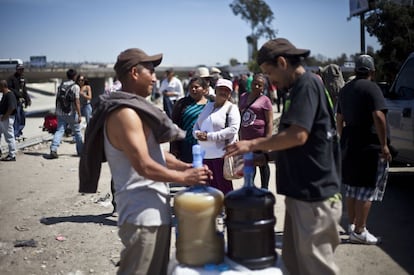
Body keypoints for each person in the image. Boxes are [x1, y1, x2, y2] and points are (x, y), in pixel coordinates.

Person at [78, 48, 212, 275]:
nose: (154, 77)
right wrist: (184, 178)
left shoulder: (137, 110)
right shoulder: (124, 114)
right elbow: (143, 165)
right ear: (134, 73)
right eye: (150, 71)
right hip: (141, 215)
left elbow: (157, 156)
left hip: (155, 212)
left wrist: (186, 167)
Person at [225, 38, 342, 275]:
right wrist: (264, 157)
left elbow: (298, 135)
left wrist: (252, 144)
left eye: (269, 72)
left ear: (282, 62)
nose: (270, 80)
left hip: (314, 195)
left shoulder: (306, 85)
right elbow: (303, 143)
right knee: (294, 263)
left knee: (316, 267)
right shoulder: (296, 89)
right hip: (300, 193)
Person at [336, 54, 392, 245]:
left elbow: (339, 119)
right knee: (366, 190)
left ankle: (352, 226)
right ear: (372, 71)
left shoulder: (345, 90)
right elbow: (378, 115)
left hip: (349, 144)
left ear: (355, 70)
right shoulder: (372, 88)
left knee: (351, 189)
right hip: (369, 145)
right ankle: (360, 231)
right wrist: (384, 144)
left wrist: (343, 138)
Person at [193, 78, 240, 195]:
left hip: (221, 154)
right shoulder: (209, 106)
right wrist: (196, 134)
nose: (223, 92)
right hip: (205, 154)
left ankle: (229, 211)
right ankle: (216, 210)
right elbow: (197, 124)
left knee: (224, 187)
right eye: (221, 89)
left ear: (230, 93)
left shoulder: (231, 108)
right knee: (210, 188)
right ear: (216, 90)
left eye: (226, 90)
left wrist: (209, 136)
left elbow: (233, 129)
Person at [238, 73, 273, 189]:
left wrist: (268, 140)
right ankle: (250, 188)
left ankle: (264, 189)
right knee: (249, 164)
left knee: (262, 164)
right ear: (251, 84)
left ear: (263, 88)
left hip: (260, 139)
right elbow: (240, 116)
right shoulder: (243, 96)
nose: (256, 87)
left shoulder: (265, 100)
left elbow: (269, 122)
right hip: (246, 139)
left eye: (260, 85)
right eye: (255, 84)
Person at [170, 76, 209, 163]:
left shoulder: (211, 104)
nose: (193, 89)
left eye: (196, 87)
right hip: (187, 144)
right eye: (191, 87)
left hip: (206, 144)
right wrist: (174, 146)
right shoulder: (182, 104)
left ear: (204, 89)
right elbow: (174, 125)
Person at [49, 69, 83, 159]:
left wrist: (57, 111)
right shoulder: (75, 87)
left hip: (61, 113)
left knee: (59, 131)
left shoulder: (61, 85)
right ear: (74, 76)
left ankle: (53, 149)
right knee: (77, 132)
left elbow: (57, 100)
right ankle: (81, 151)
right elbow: (77, 101)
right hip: (71, 113)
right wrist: (79, 115)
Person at [7, 64, 31, 139]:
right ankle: (16, 133)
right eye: (20, 69)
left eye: (22, 69)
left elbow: (24, 89)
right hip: (14, 101)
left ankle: (20, 132)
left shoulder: (22, 78)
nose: (21, 71)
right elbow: (10, 88)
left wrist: (27, 99)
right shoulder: (11, 78)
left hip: (21, 101)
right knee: (17, 117)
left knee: (22, 117)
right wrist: (18, 94)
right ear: (17, 69)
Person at [0, 80, 17, 161]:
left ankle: (12, 155)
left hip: (7, 118)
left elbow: (11, 107)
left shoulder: (10, 95)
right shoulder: (5, 94)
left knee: (9, 137)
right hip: (3, 118)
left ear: (3, 86)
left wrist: (5, 117)